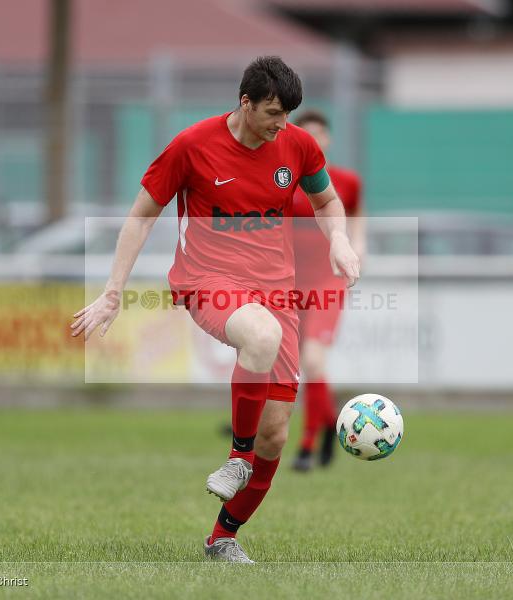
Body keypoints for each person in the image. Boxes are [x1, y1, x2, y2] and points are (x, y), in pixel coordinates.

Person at [71, 56, 360, 564]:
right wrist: (113, 290)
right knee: (261, 337)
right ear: (245, 103)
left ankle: (223, 538)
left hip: (277, 291)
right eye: (272, 113)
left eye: (288, 115)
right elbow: (140, 217)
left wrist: (338, 238)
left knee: (275, 436)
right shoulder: (192, 146)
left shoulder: (298, 145)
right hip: (207, 281)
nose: (281, 125)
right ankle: (236, 458)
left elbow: (327, 202)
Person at [290, 110, 365, 472]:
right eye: (305, 134)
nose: (313, 140)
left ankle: (306, 447)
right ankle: (330, 424)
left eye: (318, 134)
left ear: (327, 138)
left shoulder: (347, 182)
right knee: (293, 366)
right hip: (290, 283)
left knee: (314, 360)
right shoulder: (284, 181)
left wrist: (357, 248)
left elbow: (357, 219)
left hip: (328, 281)